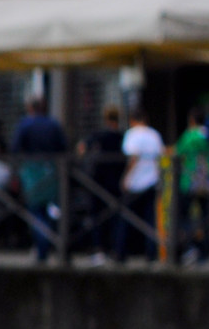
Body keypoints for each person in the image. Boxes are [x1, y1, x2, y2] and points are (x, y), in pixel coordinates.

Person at [10, 93, 69, 263]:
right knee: (49, 209)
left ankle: (42, 246)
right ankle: (50, 244)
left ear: (29, 108)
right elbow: (63, 147)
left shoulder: (25, 124)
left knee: (35, 210)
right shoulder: (53, 124)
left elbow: (15, 148)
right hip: (51, 171)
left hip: (32, 172)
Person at [79, 103, 127, 265]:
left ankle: (99, 250)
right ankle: (118, 251)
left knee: (98, 217)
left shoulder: (98, 136)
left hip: (99, 183)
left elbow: (81, 149)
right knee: (116, 216)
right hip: (118, 182)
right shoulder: (123, 137)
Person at [173, 110, 209, 265]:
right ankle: (208, 251)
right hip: (207, 181)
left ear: (192, 120)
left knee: (185, 216)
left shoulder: (189, 135)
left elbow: (177, 152)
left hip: (190, 181)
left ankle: (190, 248)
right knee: (207, 216)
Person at [120, 109, 164, 264]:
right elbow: (160, 159)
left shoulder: (132, 134)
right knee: (150, 219)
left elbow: (133, 157)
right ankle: (151, 254)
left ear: (133, 120)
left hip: (135, 182)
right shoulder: (154, 135)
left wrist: (125, 178)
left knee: (126, 218)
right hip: (152, 180)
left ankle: (122, 253)